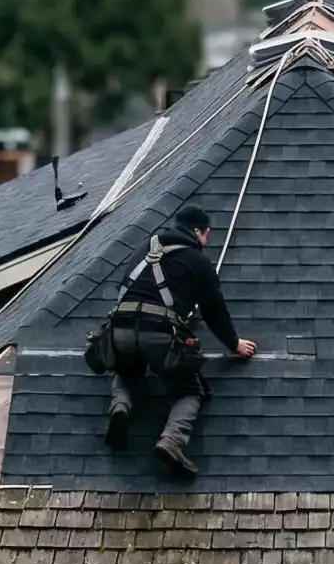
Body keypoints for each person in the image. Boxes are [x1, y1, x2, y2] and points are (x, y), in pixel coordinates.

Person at [105, 204, 255, 478]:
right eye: (206, 234)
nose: (206, 240)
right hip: (159, 335)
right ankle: (171, 441)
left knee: (127, 370)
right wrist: (234, 343)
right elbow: (213, 309)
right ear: (197, 231)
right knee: (189, 390)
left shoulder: (144, 249)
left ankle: (120, 406)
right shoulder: (197, 261)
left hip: (120, 328)